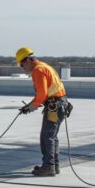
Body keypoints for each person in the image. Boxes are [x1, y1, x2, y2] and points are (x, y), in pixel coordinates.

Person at [16, 46, 68, 177]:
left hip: (54, 106)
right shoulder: (45, 66)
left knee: (47, 137)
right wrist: (30, 105)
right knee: (51, 136)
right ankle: (53, 165)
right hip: (59, 103)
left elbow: (42, 94)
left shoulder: (38, 71)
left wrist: (30, 107)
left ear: (27, 60)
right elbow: (44, 94)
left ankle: (48, 167)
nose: (23, 68)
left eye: (22, 65)